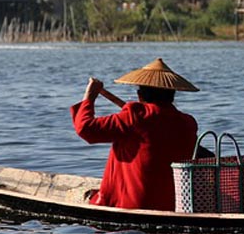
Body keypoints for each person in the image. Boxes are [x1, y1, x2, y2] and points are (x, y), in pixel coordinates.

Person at [71, 57, 199, 211]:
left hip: (131, 205)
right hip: (172, 205)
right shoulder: (188, 123)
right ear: (172, 95)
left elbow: (85, 129)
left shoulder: (135, 116)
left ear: (140, 96)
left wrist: (89, 97)